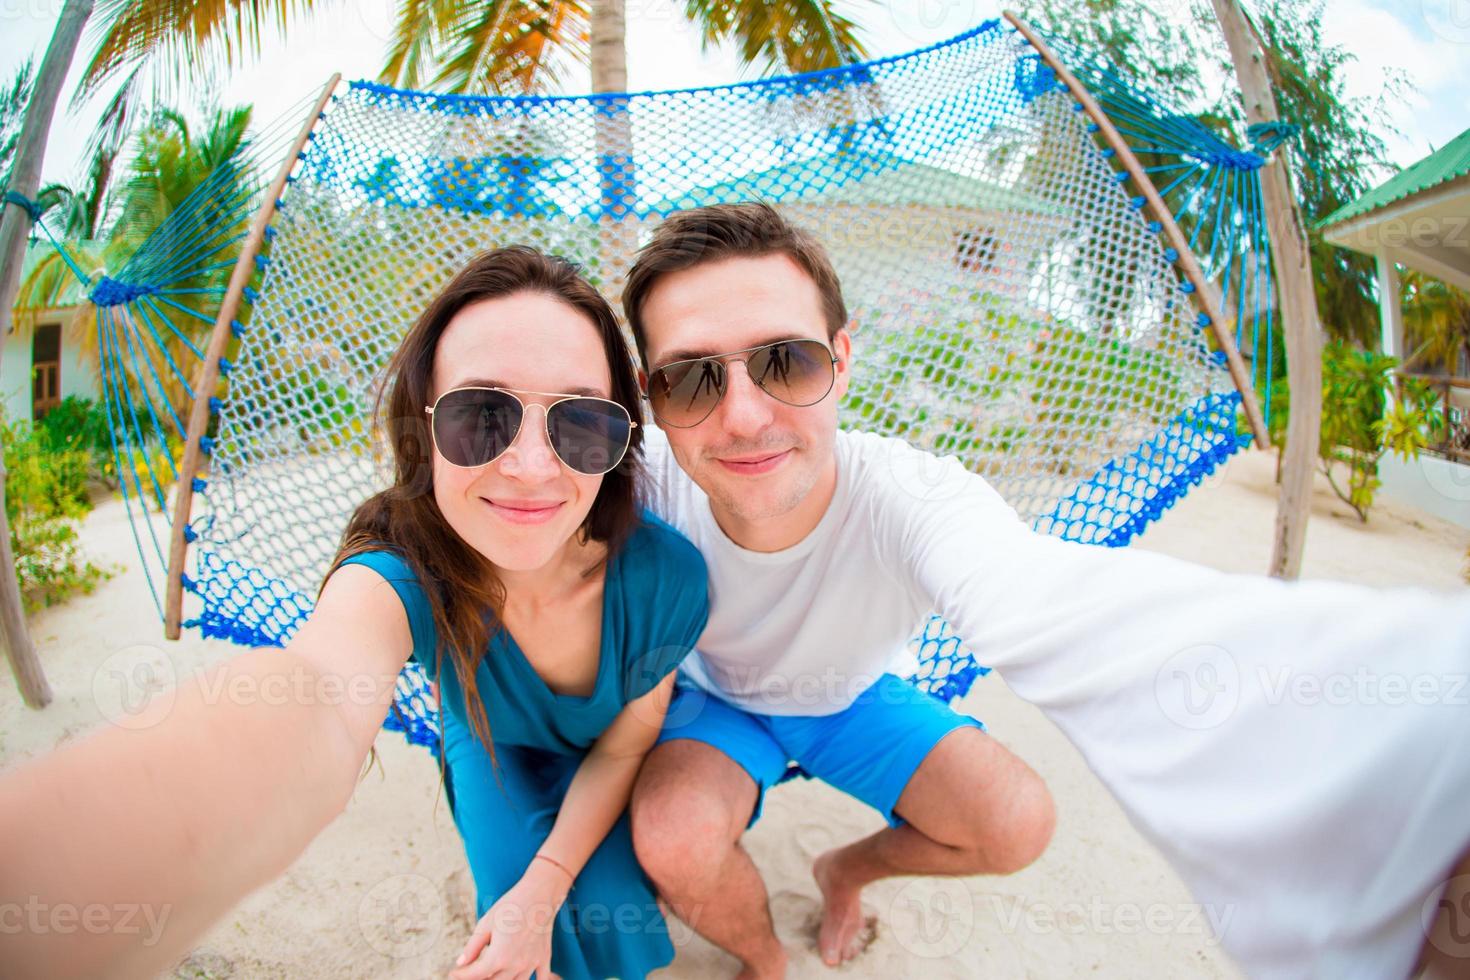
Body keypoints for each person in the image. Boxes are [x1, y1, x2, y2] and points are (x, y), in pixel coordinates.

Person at [619, 202, 1470, 980]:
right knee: (672, 838)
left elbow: (1060, 607)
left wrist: (1427, 750)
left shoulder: (914, 500)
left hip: (852, 698)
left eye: (785, 362)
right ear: (652, 401)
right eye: (690, 379)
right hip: (717, 700)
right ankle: (767, 959)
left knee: (1017, 822)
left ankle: (845, 868)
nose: (741, 416)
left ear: (841, 360)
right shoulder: (641, 479)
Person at [0, 246, 709, 980]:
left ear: (621, 438)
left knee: (607, 906)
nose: (532, 466)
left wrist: (549, 879)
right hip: (486, 739)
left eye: (581, 421)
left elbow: (625, 748)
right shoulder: (404, 570)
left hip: (607, 755)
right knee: (519, 944)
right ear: (424, 429)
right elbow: (319, 697)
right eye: (480, 415)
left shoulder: (665, 579)